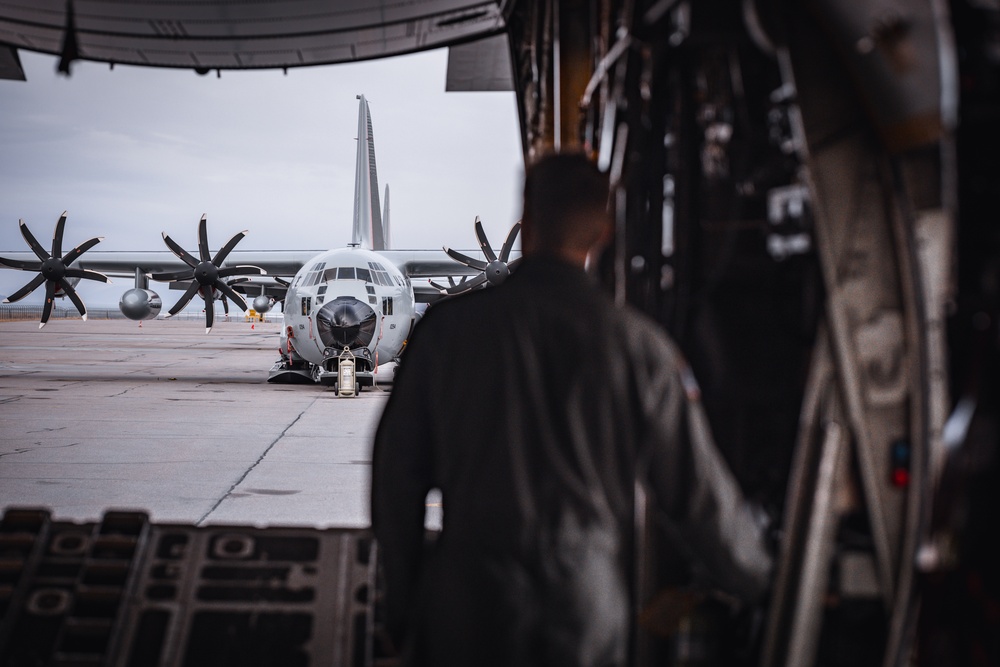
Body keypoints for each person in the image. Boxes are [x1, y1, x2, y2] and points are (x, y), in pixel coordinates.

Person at [370, 152, 772, 666]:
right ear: (605, 232)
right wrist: (763, 582)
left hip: (470, 607)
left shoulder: (446, 333)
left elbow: (395, 481)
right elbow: (698, 498)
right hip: (583, 608)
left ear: (527, 219)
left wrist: (402, 605)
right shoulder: (640, 348)